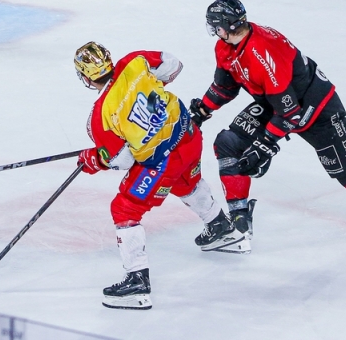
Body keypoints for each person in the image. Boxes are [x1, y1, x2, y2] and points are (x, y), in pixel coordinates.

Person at [189, 0, 346, 251]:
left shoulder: (262, 52)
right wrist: (202, 111)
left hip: (318, 109)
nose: (213, 31)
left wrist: (264, 145)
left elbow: (290, 113)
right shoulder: (226, 47)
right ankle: (239, 223)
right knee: (228, 143)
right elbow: (225, 87)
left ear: (226, 25)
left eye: (214, 25)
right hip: (279, 104)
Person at [74, 42, 244, 311]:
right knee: (186, 183)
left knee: (124, 208)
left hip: (161, 161)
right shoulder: (133, 61)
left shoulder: (99, 116)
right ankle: (221, 227)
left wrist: (96, 159)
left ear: (85, 77)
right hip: (188, 136)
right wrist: (152, 88)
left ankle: (137, 281)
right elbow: (173, 64)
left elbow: (122, 159)